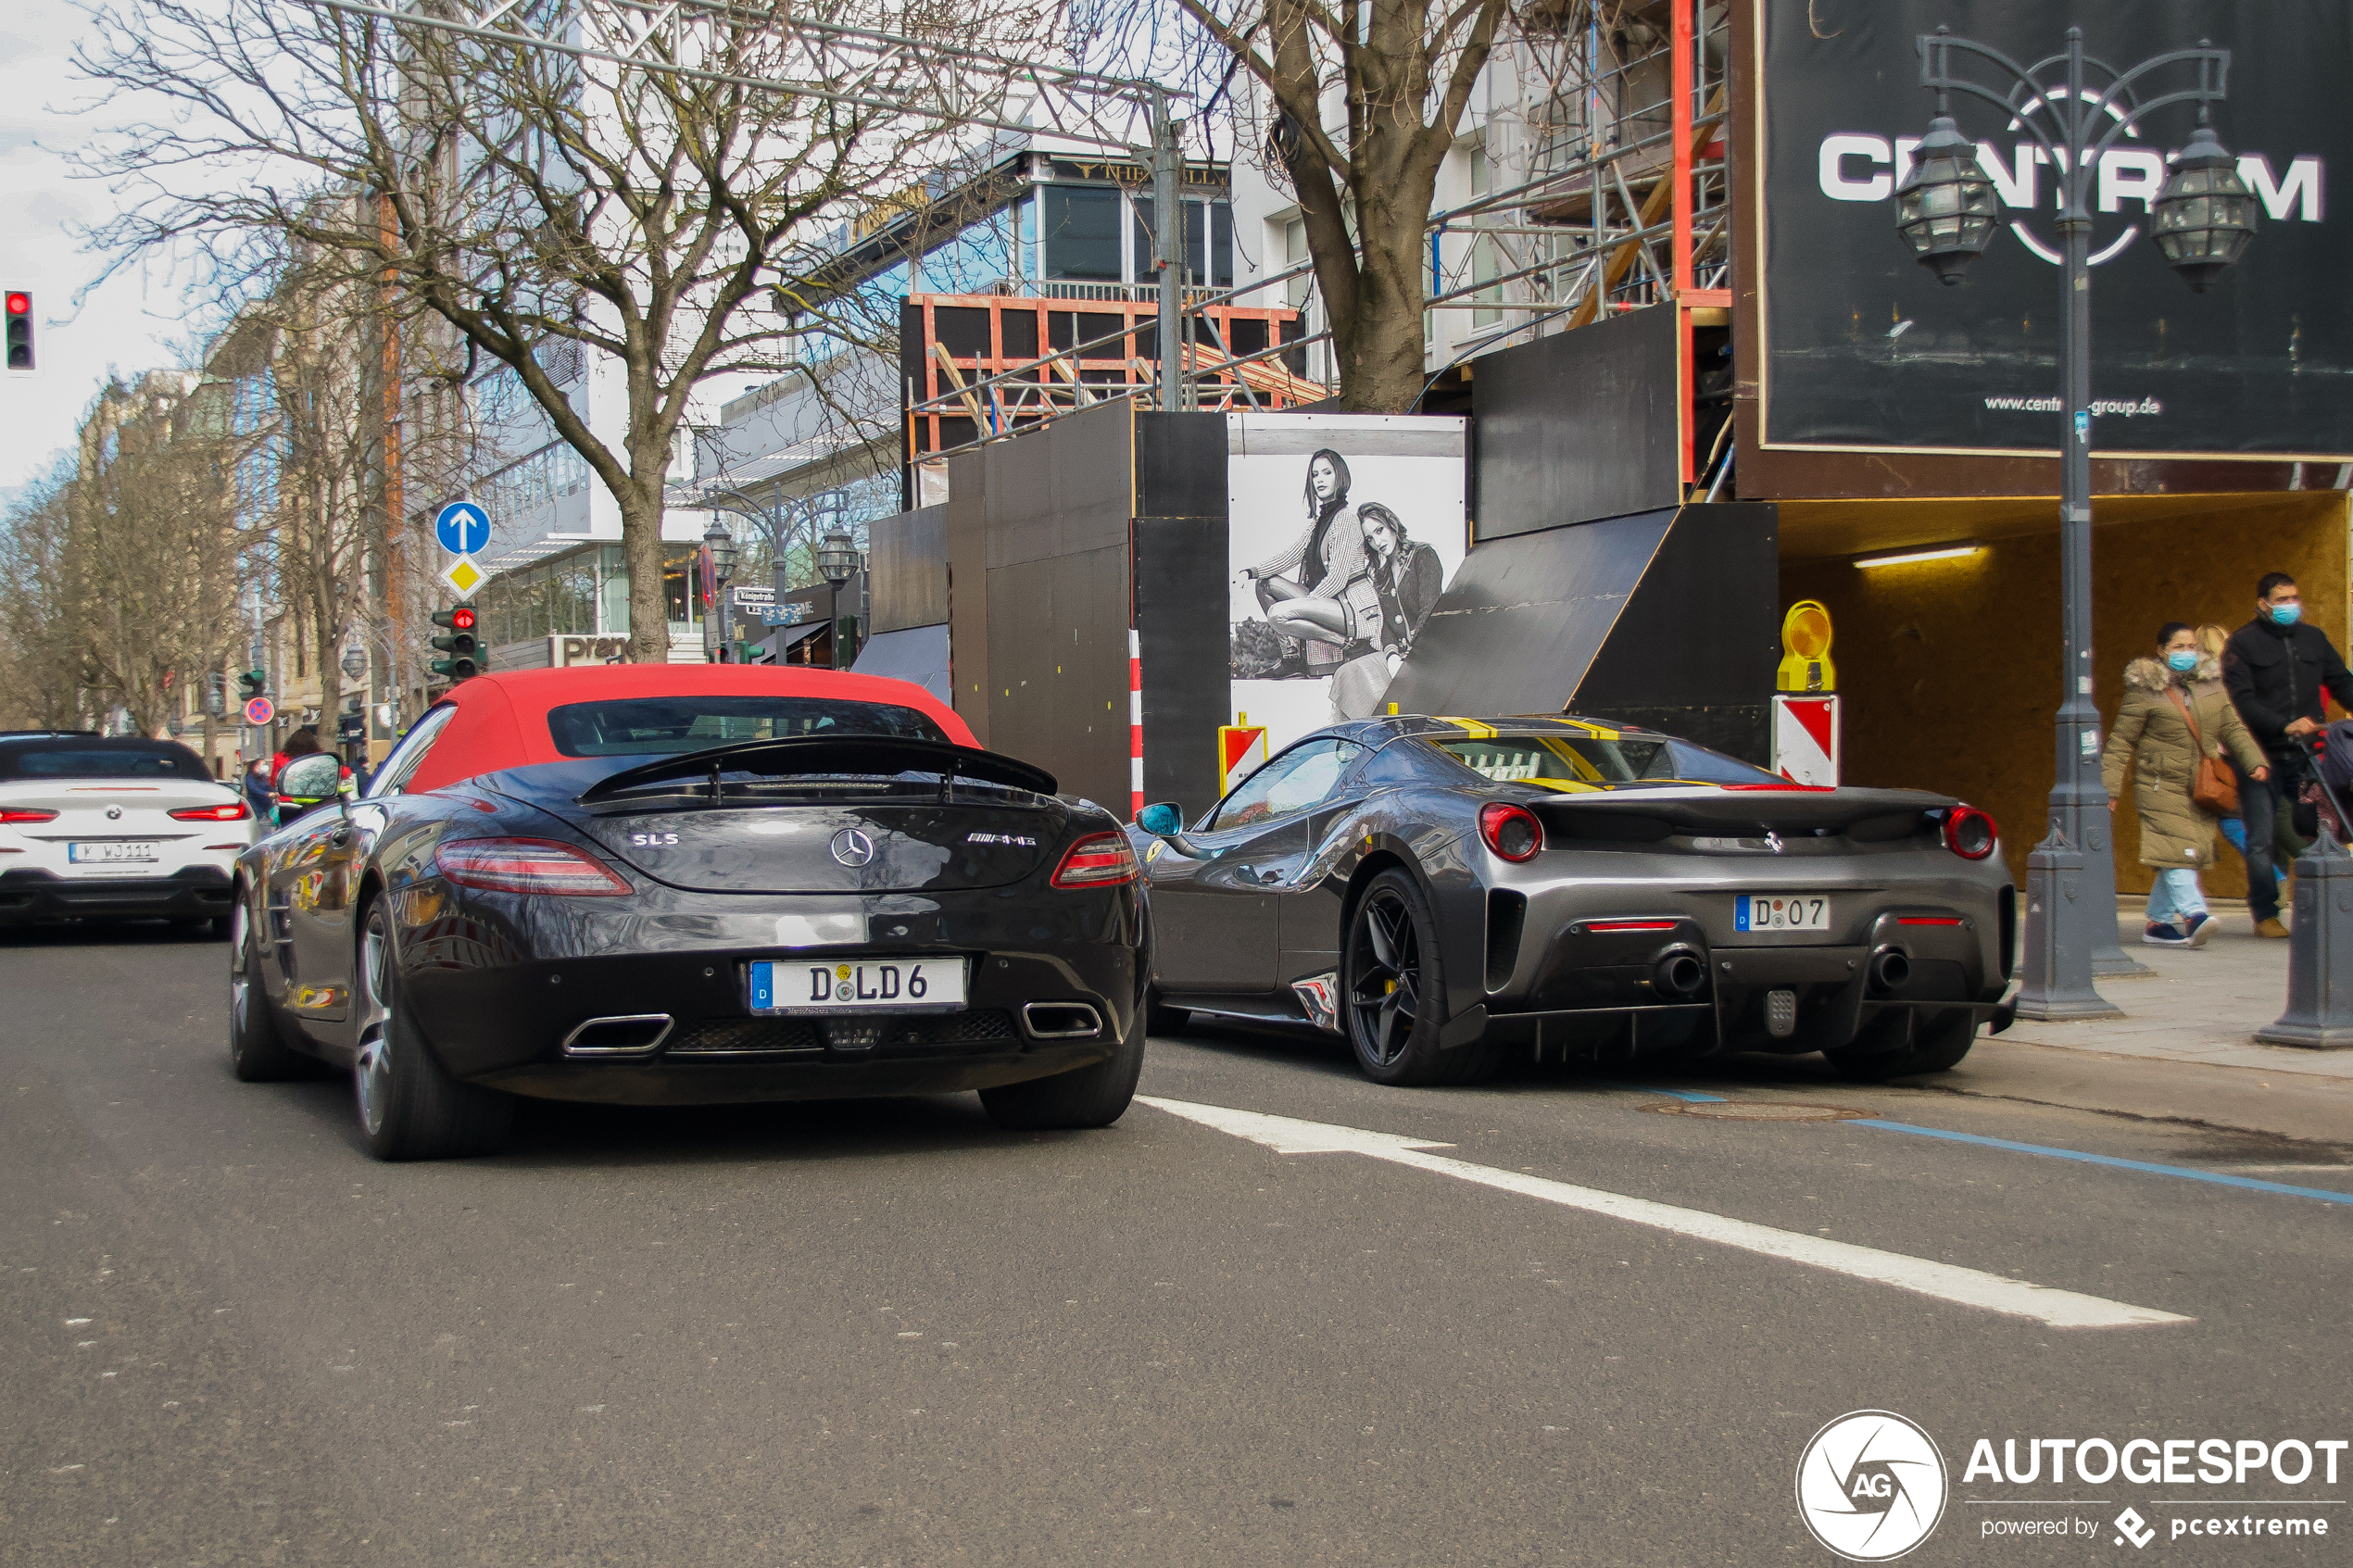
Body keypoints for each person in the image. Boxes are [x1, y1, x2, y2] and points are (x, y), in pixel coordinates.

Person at [2104, 623, 2270, 947]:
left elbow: (2232, 727)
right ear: (2162, 651)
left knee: (2185, 853)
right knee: (2178, 850)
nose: (2187, 653)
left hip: (2201, 787)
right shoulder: (2144, 691)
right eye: (2179, 647)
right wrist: (2110, 788)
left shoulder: (2211, 685)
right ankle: (2195, 915)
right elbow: (2121, 741)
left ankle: (2158, 923)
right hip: (2158, 786)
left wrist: (2255, 761)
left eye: (2191, 646)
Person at [2221, 573, 2353, 936]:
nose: (2290, 605)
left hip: (2308, 756)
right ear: (2263, 602)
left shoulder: (2313, 638)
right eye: (2282, 599)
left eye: (2294, 597)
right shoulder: (2242, 643)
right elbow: (2240, 701)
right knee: (2261, 838)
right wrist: (2284, 725)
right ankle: (2266, 913)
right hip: (2259, 756)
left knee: (2319, 831)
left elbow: (2341, 681)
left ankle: (2327, 908)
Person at [1241, 448, 1366, 679]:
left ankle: (1345, 642)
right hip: (1323, 601)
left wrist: (1305, 607)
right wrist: (1250, 572)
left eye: (1327, 473)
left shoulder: (1346, 519)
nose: (1319, 479)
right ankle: (1292, 659)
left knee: (1278, 614)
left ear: (1340, 476)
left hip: (1346, 607)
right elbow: (1289, 556)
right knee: (1264, 584)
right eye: (1315, 474)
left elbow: (1338, 578)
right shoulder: (1319, 522)